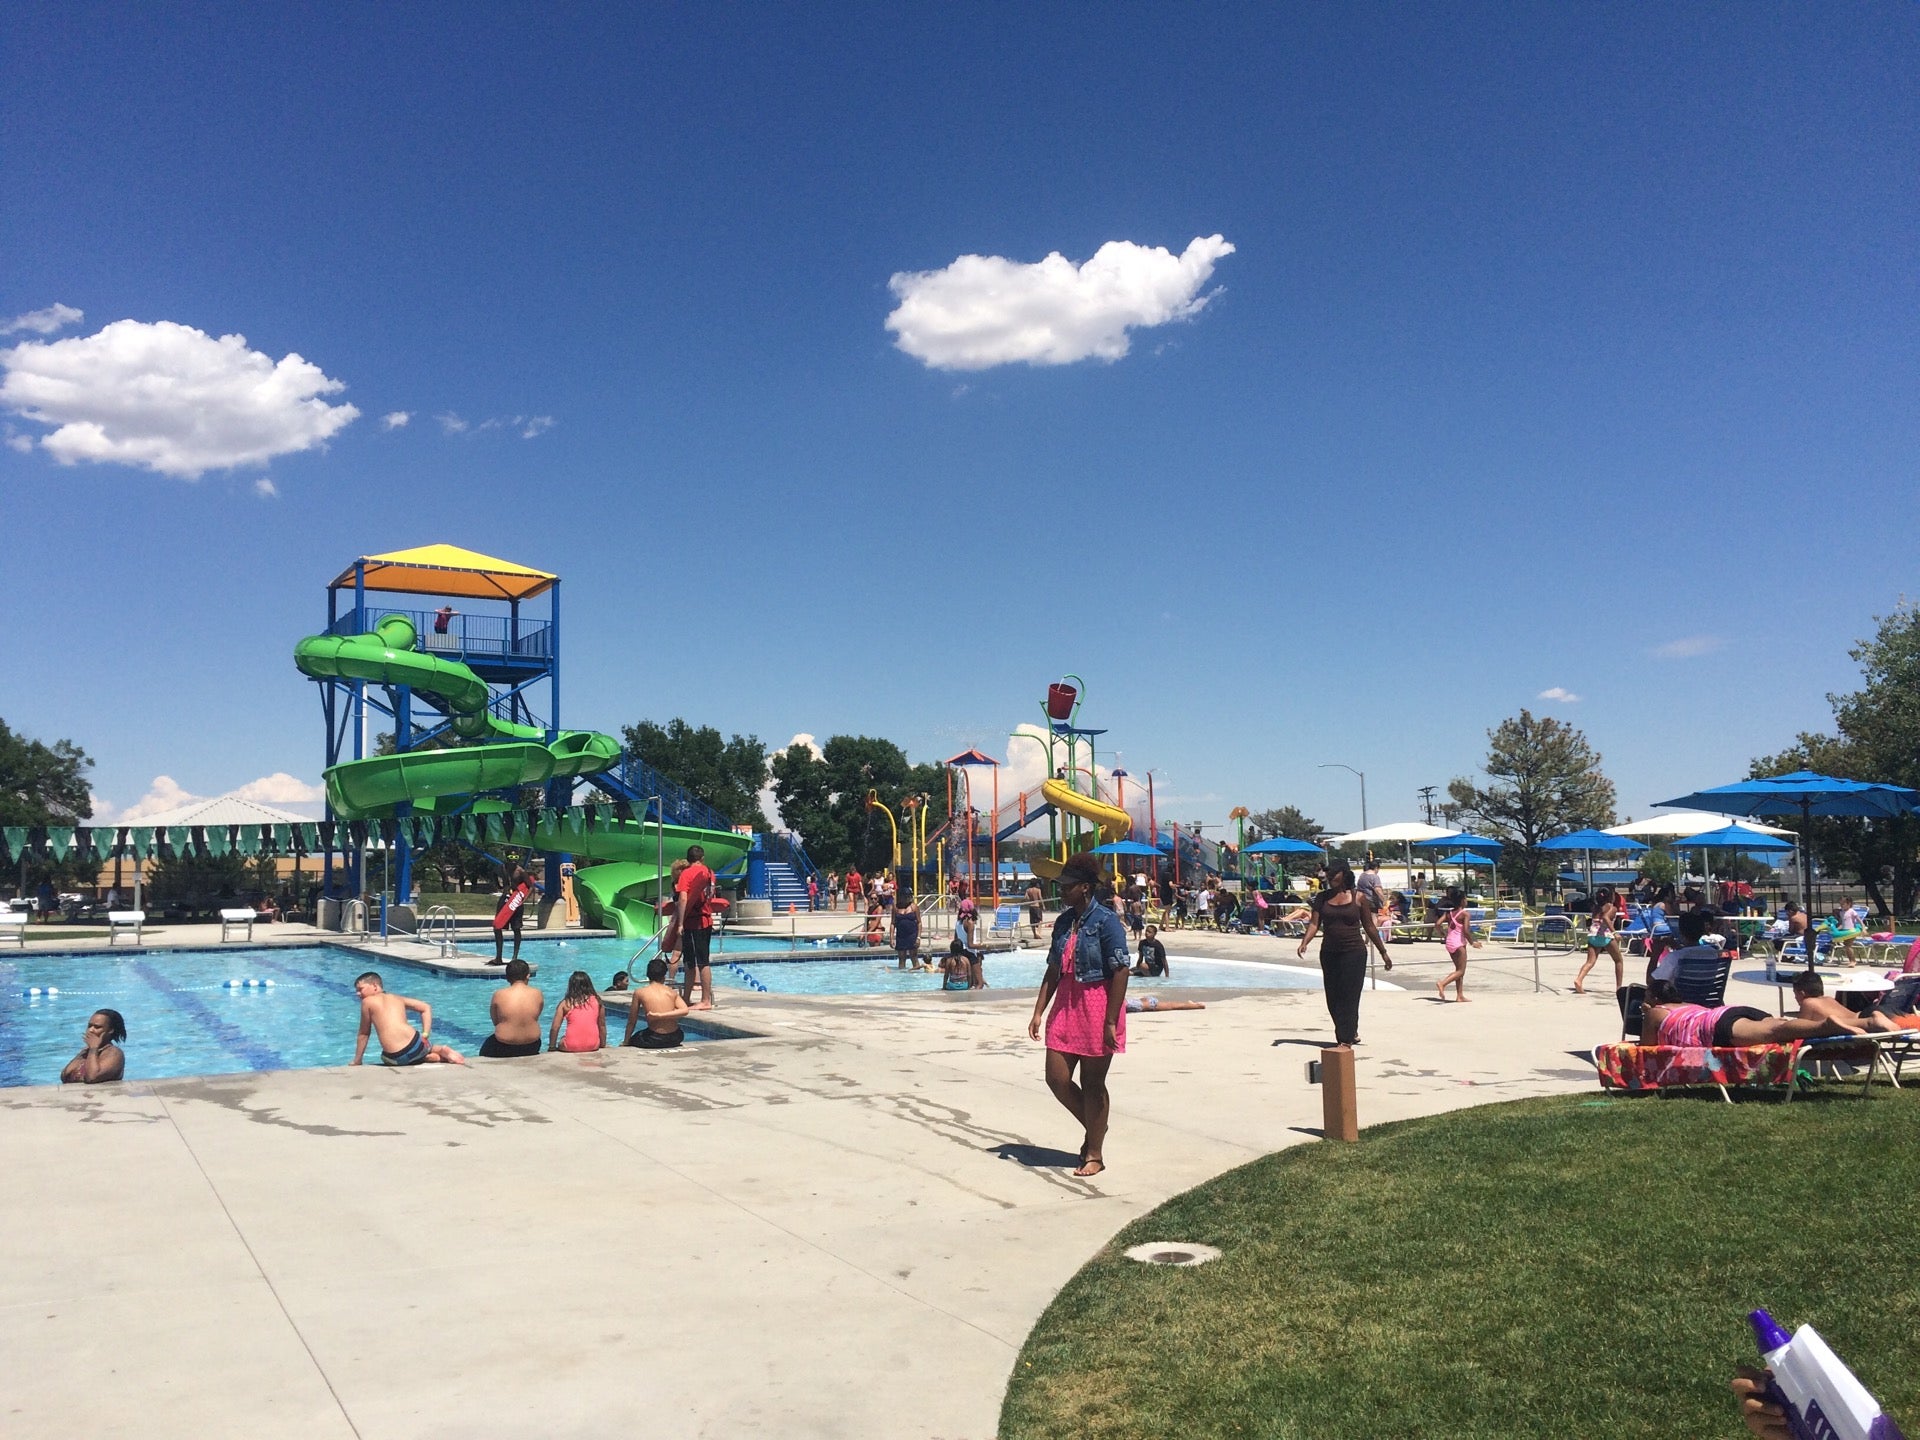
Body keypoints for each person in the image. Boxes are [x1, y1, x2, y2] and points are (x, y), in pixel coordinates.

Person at [1027, 852, 1131, 1178]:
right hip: (1066, 1005)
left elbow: (1121, 969)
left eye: (1067, 886)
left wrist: (1111, 1020)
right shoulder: (1063, 921)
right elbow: (1053, 969)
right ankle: (1097, 1125)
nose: (1061, 891)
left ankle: (1095, 1152)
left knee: (1092, 1082)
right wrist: (1038, 1011)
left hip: (1098, 1005)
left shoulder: (1106, 922)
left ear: (1084, 888)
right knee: (1056, 1078)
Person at [1297, 861, 1392, 1048]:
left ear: (1344, 874)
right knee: (1333, 997)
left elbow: (1369, 926)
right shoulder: (1322, 898)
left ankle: (1345, 1038)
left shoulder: (1359, 897)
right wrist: (1304, 942)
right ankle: (1348, 1031)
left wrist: (1383, 952)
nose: (1330, 876)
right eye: (1328, 873)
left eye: (1334, 873)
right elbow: (1315, 924)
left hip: (1354, 953)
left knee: (1350, 995)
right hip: (1329, 953)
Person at [1641, 978, 1863, 1047]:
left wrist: (1648, 1014)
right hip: (1727, 1013)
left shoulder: (1656, 1013)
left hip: (1715, 1026)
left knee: (1775, 1031)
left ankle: (1824, 1027)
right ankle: (1869, 1023)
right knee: (1778, 1024)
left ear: (1656, 999)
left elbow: (1647, 1049)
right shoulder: (1688, 1006)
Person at [351, 972, 466, 1066]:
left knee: (385, 1058)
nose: (358, 993)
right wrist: (425, 1033)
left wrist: (357, 1060)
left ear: (375, 986)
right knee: (419, 1052)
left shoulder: (367, 1002)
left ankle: (435, 1055)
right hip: (418, 1043)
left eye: (360, 989)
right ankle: (439, 1050)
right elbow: (426, 1008)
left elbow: (364, 1034)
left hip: (397, 1055)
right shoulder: (397, 998)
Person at [673, 844, 717, 1009]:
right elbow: (710, 895)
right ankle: (687, 998)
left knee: (694, 962)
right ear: (702, 858)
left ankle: (704, 1000)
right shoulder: (710, 872)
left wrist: (680, 923)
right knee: (698, 960)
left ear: (688, 859)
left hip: (693, 922)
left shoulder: (686, 874)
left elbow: (683, 898)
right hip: (706, 920)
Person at [479, 958, 544, 1057]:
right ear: (528, 975)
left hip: (505, 1046)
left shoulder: (499, 994)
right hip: (532, 1045)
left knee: (484, 1051)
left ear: (507, 978)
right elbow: (536, 1016)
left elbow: (495, 1022)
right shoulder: (537, 993)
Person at [624, 957, 691, 1048]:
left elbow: (632, 1021)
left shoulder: (639, 992)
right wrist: (662, 1015)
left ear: (648, 975)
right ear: (664, 975)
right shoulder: (671, 992)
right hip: (675, 1037)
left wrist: (626, 1041)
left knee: (636, 1037)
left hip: (654, 1038)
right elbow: (685, 1010)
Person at [1572, 886, 1624, 995]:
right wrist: (1615, 932)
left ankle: (1579, 979)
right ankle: (1619, 987)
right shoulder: (1612, 907)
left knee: (1590, 962)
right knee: (1618, 960)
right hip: (1605, 936)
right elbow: (1605, 918)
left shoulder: (1596, 907)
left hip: (1592, 934)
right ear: (1611, 896)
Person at [1434, 886, 1479, 1003]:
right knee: (1461, 971)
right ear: (1462, 900)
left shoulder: (1448, 913)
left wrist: (1442, 933)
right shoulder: (1465, 914)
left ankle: (1460, 995)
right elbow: (1466, 930)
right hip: (1458, 943)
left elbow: (1437, 923)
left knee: (1458, 969)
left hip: (1449, 942)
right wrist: (1472, 942)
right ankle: (1442, 983)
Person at [61, 1009, 127, 1084]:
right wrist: (86, 1052)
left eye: (97, 1027)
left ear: (110, 1030)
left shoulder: (114, 1053)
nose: (90, 1030)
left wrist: (93, 1048)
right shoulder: (86, 1052)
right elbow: (64, 1076)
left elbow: (92, 1077)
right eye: (89, 1026)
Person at [549, 970, 606, 1053]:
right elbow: (602, 1026)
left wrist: (552, 1047)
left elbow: (555, 1027)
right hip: (593, 1045)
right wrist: (602, 1044)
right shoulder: (597, 1002)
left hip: (570, 1046)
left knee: (562, 1039)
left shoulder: (566, 1003)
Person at [491, 865, 537, 965]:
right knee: (497, 926)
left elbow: (531, 887)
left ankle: (514, 957)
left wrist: (523, 900)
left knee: (516, 928)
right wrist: (498, 886)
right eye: (510, 857)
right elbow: (493, 871)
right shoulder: (503, 867)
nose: (513, 859)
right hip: (505, 898)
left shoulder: (520, 871)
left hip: (516, 900)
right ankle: (498, 957)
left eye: (515, 857)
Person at [890, 889, 922, 970]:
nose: (907, 898)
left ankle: (916, 974)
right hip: (901, 936)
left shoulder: (914, 907)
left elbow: (919, 922)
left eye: (909, 896)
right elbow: (893, 923)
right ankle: (902, 976)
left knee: (913, 957)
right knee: (901, 958)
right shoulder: (896, 907)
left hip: (912, 935)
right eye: (905, 896)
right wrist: (891, 938)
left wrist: (918, 937)